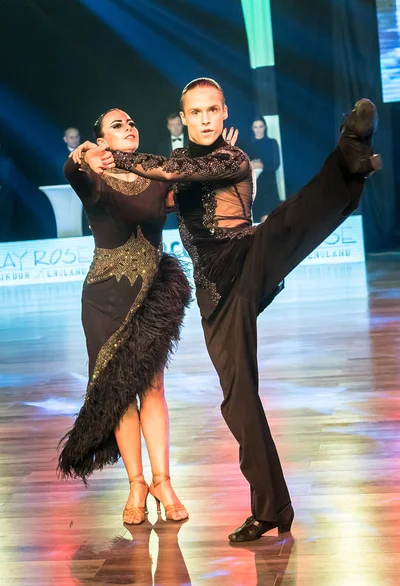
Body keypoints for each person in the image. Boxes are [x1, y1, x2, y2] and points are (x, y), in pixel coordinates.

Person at [80, 79, 381, 542]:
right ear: (184, 119)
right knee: (238, 401)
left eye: (211, 111)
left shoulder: (231, 158)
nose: (204, 119)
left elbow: (168, 170)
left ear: (224, 114)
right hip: (215, 296)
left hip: (246, 260)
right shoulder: (183, 165)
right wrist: (88, 158)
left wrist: (115, 156)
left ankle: (349, 157)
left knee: (282, 226)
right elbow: (162, 178)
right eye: (195, 112)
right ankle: (271, 508)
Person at [58, 109, 191, 525]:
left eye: (131, 122)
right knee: (118, 393)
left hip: (150, 296)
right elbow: (72, 170)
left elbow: (186, 195)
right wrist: (82, 155)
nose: (129, 127)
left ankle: (162, 481)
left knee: (152, 388)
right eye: (117, 125)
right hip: (102, 301)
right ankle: (136, 483)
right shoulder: (93, 177)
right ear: (101, 140)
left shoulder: (155, 173)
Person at [247, 116, 281, 221]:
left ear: (265, 127)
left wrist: (262, 165)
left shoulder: (272, 143)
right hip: (255, 188)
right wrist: (252, 165)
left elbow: (276, 164)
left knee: (269, 220)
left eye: (261, 126)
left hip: (269, 186)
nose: (258, 129)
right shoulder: (248, 145)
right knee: (257, 223)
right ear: (252, 128)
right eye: (255, 127)